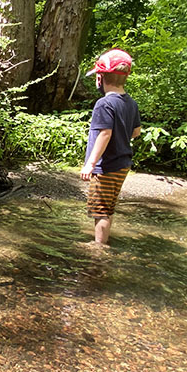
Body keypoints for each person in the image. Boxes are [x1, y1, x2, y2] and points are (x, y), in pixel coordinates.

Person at [79, 49, 141, 246]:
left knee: (101, 209)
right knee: (109, 205)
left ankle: (98, 247)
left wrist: (90, 164)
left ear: (101, 77)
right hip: (123, 164)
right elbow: (136, 132)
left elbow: (104, 134)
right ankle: (102, 241)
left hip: (106, 166)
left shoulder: (104, 103)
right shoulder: (131, 103)